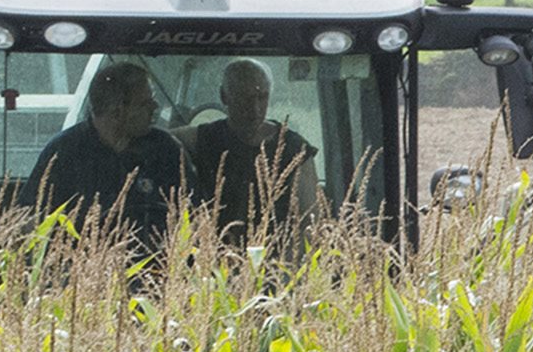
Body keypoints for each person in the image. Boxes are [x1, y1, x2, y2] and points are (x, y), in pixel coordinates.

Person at [27, 61, 183, 241]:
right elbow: (31, 220)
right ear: (117, 112)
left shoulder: (164, 149)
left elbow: (192, 214)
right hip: (83, 262)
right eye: (144, 104)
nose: (154, 108)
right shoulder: (64, 152)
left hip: (157, 262)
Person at [183, 61, 318, 242]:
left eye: (261, 97)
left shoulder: (294, 150)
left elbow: (310, 224)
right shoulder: (205, 139)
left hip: (275, 262)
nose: (254, 109)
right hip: (212, 260)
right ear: (224, 96)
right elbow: (158, 137)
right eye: (245, 98)